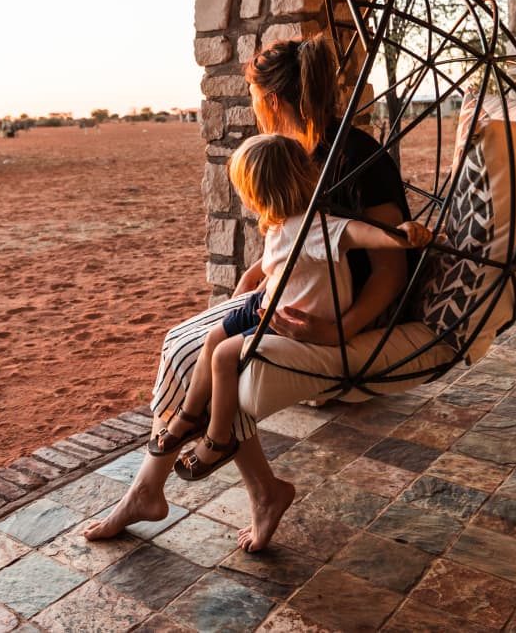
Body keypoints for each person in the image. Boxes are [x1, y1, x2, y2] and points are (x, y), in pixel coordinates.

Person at [85, 36, 455, 552]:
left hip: (354, 312)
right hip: (298, 296)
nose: (255, 108)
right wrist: (260, 269)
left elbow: (389, 267)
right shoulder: (301, 153)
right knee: (185, 341)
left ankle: (178, 485)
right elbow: (298, 235)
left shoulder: (353, 157)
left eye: (254, 98)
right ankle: (210, 489)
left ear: (273, 100)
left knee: (202, 353)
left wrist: (340, 330)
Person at [171, 133, 433, 481]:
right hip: (270, 304)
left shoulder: (316, 228)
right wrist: (255, 283)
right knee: (213, 337)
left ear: (257, 193)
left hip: (296, 320)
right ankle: (190, 415)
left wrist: (400, 234)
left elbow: (363, 233)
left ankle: (219, 439)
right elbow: (281, 270)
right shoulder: (278, 224)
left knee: (224, 356)